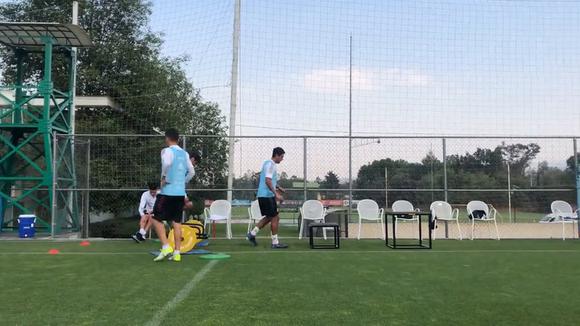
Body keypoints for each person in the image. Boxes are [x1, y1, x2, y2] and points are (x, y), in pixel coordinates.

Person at [151, 128, 195, 262]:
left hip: (167, 192)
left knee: (155, 218)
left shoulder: (167, 151)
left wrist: (164, 177)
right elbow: (192, 172)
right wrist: (182, 182)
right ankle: (177, 253)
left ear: (167, 138)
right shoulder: (185, 153)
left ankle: (165, 247)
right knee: (176, 222)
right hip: (180, 194)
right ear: (178, 139)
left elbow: (167, 163)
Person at [247, 147, 288, 249]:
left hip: (264, 195)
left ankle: (252, 234)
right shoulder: (271, 165)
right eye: (281, 157)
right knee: (275, 217)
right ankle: (275, 242)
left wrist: (278, 187)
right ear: (277, 155)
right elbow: (267, 181)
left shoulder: (267, 163)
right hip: (266, 195)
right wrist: (276, 194)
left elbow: (270, 179)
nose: (282, 159)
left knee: (270, 217)